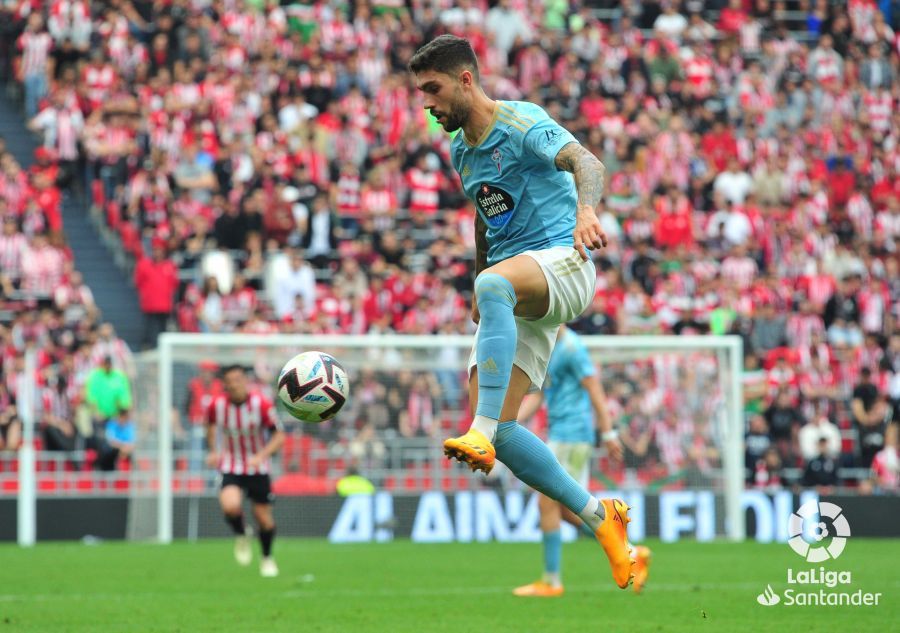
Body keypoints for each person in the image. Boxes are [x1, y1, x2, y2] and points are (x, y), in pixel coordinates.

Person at [409, 35, 633, 589]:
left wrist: (586, 211)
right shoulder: (463, 149)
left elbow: (587, 162)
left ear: (465, 80)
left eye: (432, 90)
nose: (427, 104)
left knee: (482, 424)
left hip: (566, 260)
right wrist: (479, 284)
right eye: (420, 94)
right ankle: (601, 517)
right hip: (514, 285)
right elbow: (487, 217)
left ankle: (478, 432)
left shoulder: (520, 121)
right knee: (504, 428)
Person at [513, 325, 651, 597]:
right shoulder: (548, 347)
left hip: (573, 436)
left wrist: (609, 432)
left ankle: (552, 582)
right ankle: (632, 552)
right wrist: (509, 423)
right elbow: (540, 394)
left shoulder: (573, 348)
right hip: (560, 435)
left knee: (546, 500)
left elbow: (594, 389)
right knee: (566, 510)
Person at [206, 365, 285, 578]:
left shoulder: (261, 404)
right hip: (231, 465)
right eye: (229, 380)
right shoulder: (217, 405)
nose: (234, 384)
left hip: (257, 468)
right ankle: (242, 533)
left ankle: (267, 558)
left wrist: (261, 455)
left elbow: (279, 436)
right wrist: (213, 450)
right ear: (225, 384)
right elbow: (210, 425)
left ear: (245, 381)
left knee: (264, 519)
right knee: (230, 507)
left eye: (238, 379)